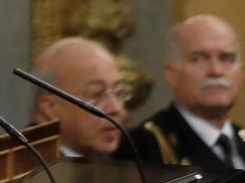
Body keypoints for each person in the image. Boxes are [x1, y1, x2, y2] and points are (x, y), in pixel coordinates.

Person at [131, 15, 245, 171]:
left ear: (240, 72)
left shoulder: (241, 138)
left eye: (226, 58)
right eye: (198, 58)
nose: (216, 71)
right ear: (172, 74)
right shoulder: (146, 144)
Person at [31, 37, 130, 159]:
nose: (115, 108)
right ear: (50, 107)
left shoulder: (133, 156)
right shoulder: (20, 168)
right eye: (96, 94)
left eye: (118, 92)